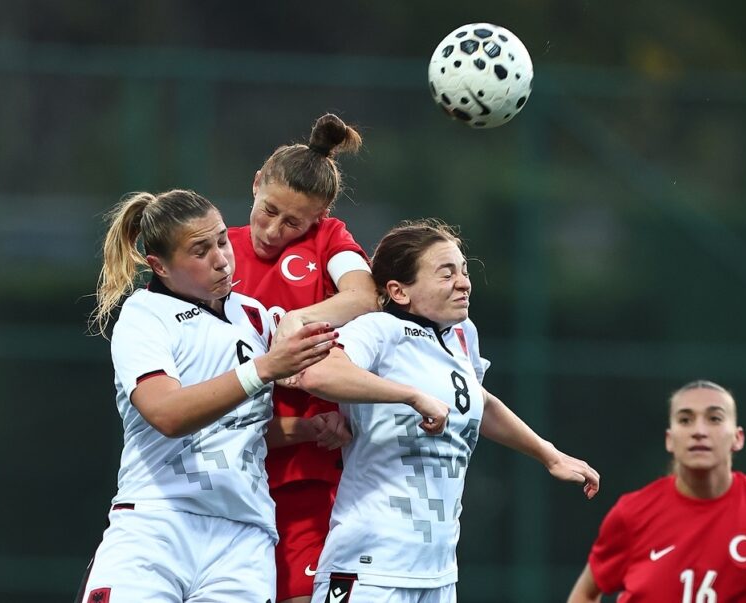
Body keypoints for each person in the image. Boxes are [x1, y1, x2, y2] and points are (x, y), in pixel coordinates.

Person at [295, 219, 600, 603]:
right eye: (446, 273)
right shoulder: (379, 329)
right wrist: (411, 396)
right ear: (398, 291)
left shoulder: (461, 334)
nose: (464, 282)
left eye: (464, 270)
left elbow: (478, 401)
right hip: (371, 567)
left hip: (438, 573)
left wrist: (548, 453)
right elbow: (318, 372)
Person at [77, 189, 338, 603]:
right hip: (158, 524)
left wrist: (308, 427)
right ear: (159, 265)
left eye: (221, 240)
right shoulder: (145, 316)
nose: (221, 258)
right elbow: (167, 413)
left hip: (244, 540)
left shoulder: (254, 316)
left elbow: (237, 429)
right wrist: (265, 368)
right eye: (200, 250)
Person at [227, 113, 380, 603]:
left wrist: (295, 320)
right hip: (225, 476)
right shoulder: (216, 251)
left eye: (293, 222)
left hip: (303, 476)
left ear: (317, 219)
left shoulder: (330, 239)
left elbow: (364, 295)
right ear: (255, 184)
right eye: (268, 209)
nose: (273, 230)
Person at [567, 380, 746, 603]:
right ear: (670, 439)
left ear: (738, 437)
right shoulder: (632, 512)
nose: (699, 431)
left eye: (714, 418)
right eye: (685, 419)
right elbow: (585, 594)